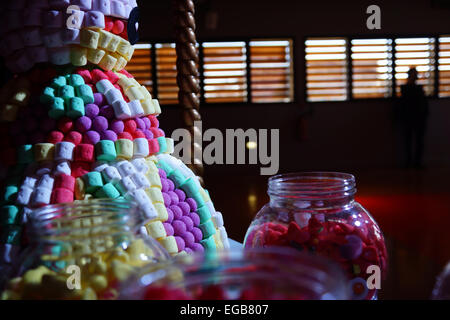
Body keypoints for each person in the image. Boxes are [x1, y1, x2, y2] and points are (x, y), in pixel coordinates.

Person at [399, 67, 429, 169]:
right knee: (409, 141)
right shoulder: (407, 89)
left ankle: (415, 162)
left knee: (416, 141)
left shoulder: (408, 89)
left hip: (417, 118)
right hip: (411, 118)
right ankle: (410, 162)